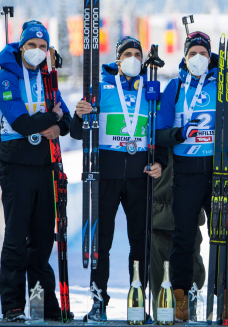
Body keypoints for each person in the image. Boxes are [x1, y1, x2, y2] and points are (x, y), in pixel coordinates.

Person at [70, 36, 167, 321]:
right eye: (128, 53)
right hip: (107, 175)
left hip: (140, 177)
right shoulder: (101, 89)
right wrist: (79, 115)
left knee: (140, 241)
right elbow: (77, 133)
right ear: (118, 58)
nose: (134, 58)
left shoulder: (150, 91)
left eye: (138, 53)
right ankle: (99, 301)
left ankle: (138, 299)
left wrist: (160, 161)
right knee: (103, 241)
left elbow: (159, 133)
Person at [155, 31, 228, 322]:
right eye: (192, 53)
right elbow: (161, 132)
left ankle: (226, 298)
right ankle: (181, 301)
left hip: (218, 170)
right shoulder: (175, 88)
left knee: (222, 235)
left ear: (211, 57)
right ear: (184, 57)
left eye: (203, 54)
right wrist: (181, 134)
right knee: (183, 237)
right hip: (187, 171)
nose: (198, 58)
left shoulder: (225, 84)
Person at [0, 20, 72, 321]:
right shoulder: (6, 78)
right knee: (16, 238)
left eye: (42, 47)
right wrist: (53, 117)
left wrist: (58, 123)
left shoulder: (47, 79)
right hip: (16, 166)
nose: (37, 51)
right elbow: (22, 124)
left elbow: (68, 122)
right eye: (32, 46)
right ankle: (13, 306)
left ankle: (42, 306)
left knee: (41, 241)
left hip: (45, 168)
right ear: (21, 47)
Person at [151, 150, 206, 319]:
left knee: (186, 294)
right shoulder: (158, 129)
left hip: (185, 221)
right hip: (161, 223)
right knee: (164, 300)